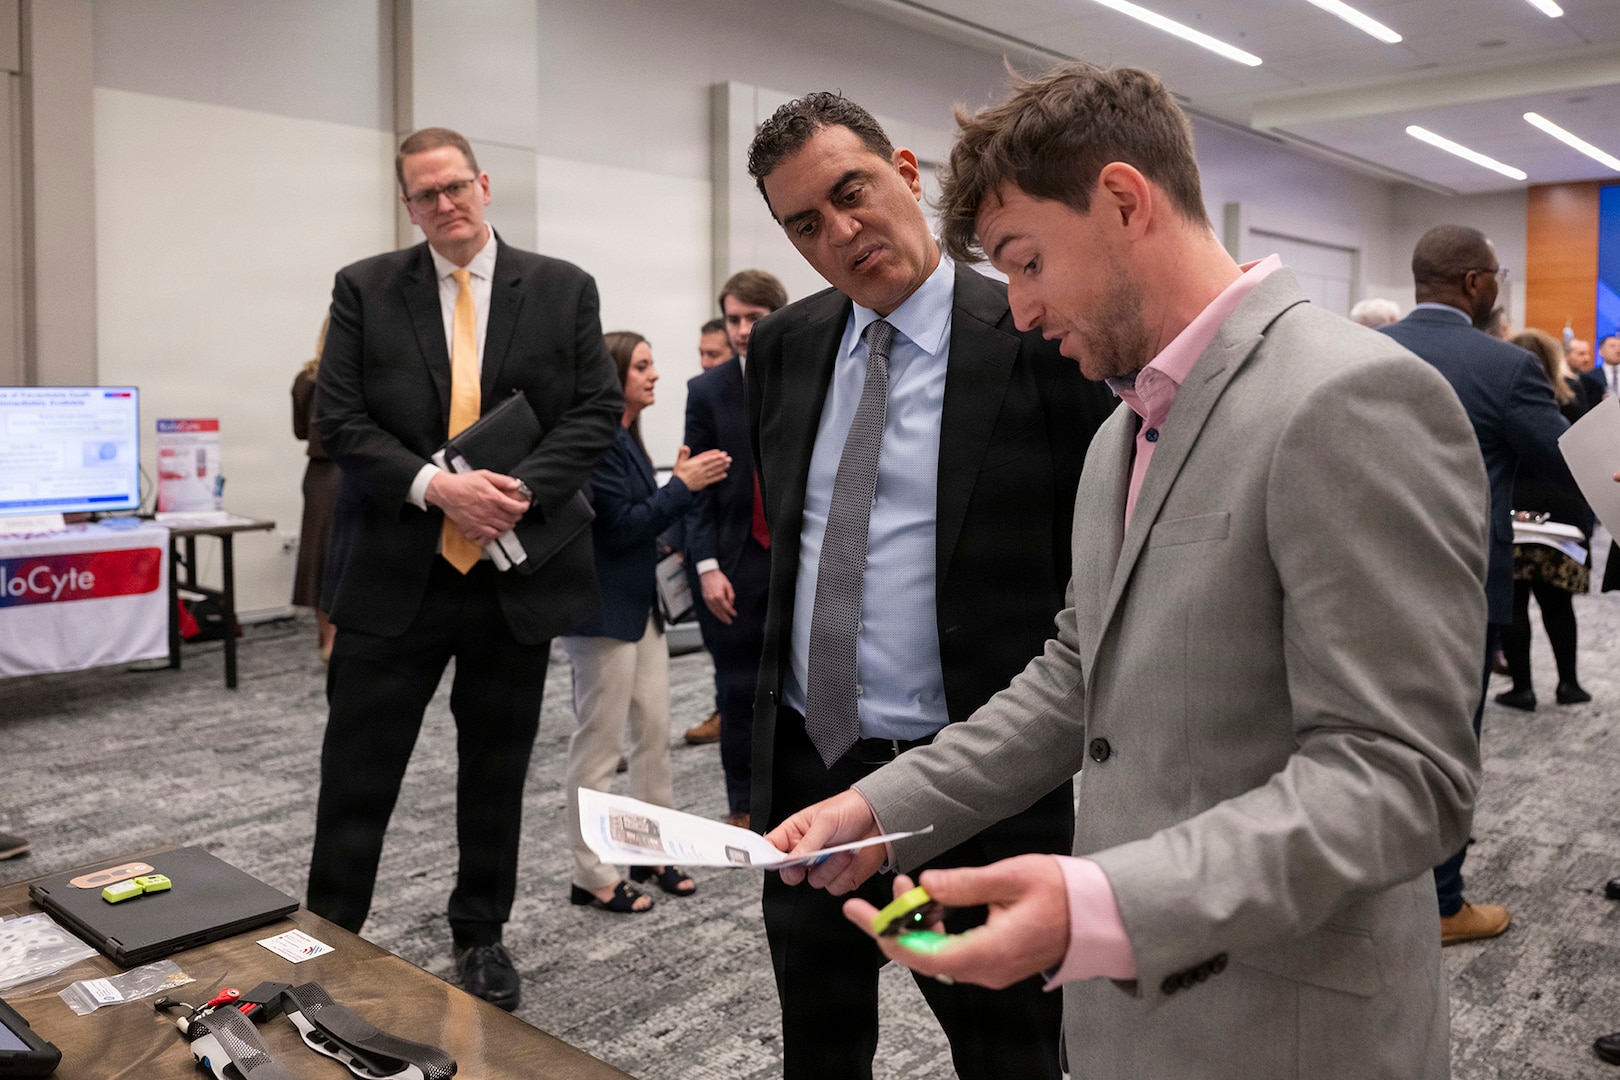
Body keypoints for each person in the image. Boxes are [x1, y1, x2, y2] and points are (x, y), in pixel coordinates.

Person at [767, 63, 1487, 1080]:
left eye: (1026, 262)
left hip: (1284, 1028)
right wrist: (882, 808)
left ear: (1122, 200)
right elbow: (1076, 676)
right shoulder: (1124, 430)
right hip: (1131, 1027)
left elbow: (1404, 780)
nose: (1020, 311)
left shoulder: (1347, 399)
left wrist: (1104, 905)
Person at [745, 92, 1115, 1080]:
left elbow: (1097, 566)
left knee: (1007, 1053)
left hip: (974, 785)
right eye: (805, 224)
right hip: (814, 775)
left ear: (907, 173)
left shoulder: (1039, 336)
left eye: (851, 193)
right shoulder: (784, 347)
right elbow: (788, 554)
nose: (840, 232)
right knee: (819, 1046)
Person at [308, 127, 622, 1011]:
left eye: (455, 187)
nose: (444, 204)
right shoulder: (365, 288)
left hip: (509, 580)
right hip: (392, 578)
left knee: (495, 772)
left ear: (483, 186)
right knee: (357, 773)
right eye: (425, 194)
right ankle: (328, 932)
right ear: (408, 205)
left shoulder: (563, 288)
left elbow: (595, 410)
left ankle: (481, 932)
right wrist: (438, 488)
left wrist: (516, 490)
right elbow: (340, 420)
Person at [1380, 225, 1570, 945]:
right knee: (1450, 744)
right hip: (1458, 589)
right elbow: (1567, 465)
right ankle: (1441, 902)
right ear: (1474, 283)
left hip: (1357, 581)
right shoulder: (1506, 367)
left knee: (1368, 735)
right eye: (1497, 274)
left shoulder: (1360, 349)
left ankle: (1375, 888)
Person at [560, 332, 730, 913]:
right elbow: (619, 527)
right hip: (601, 612)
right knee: (599, 747)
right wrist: (682, 488)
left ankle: (649, 850)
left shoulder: (626, 435)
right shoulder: (594, 439)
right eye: (641, 366)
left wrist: (675, 488)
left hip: (639, 608)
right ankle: (590, 872)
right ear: (613, 377)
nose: (654, 374)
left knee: (653, 734)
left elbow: (639, 515)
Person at [680, 269, 788, 827]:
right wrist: (706, 567)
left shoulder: (810, 372)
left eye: (754, 318)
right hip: (734, 561)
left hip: (800, 557)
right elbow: (695, 490)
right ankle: (743, 805)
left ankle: (801, 798)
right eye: (733, 319)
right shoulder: (707, 390)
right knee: (737, 689)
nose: (743, 329)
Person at [1493, 328, 1592, 710]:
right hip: (1562, 517)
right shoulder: (1573, 395)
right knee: (1559, 604)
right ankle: (1569, 684)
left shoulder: (1501, 398)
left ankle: (1522, 689)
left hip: (1513, 513)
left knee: (1514, 606)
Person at [290, 318, 339, 662]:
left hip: (318, 476)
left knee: (318, 556)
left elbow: (299, 431)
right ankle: (338, 639)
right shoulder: (358, 378)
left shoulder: (305, 379)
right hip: (353, 471)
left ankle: (327, 637)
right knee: (343, 554)